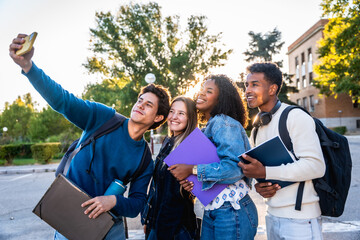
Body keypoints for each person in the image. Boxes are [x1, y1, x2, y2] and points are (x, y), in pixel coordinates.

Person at [9, 33, 171, 240]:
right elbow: (62, 100)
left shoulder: (144, 159)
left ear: (158, 117)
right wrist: (29, 67)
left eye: (148, 105)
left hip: (109, 227)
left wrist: (112, 201)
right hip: (70, 218)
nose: (140, 105)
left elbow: (137, 204)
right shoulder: (103, 117)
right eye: (140, 100)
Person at [238, 62, 325, 240]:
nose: (247, 90)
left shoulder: (295, 116)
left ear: (272, 89)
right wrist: (261, 186)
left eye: (254, 84)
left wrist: (266, 171)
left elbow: (316, 166)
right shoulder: (257, 126)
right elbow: (266, 172)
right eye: (247, 85)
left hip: (301, 220)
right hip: (272, 215)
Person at [169, 75, 258, 240]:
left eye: (208, 91)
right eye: (201, 90)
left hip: (232, 210)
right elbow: (214, 169)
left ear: (221, 98)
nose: (201, 94)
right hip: (214, 209)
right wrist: (192, 183)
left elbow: (234, 168)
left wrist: (192, 170)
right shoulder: (210, 126)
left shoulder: (224, 123)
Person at [143, 96, 198, 240]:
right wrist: (148, 221)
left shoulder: (188, 148)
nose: (174, 117)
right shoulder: (168, 142)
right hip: (157, 223)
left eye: (181, 113)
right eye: (172, 111)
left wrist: (158, 232)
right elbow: (157, 188)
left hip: (174, 229)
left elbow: (173, 200)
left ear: (190, 118)